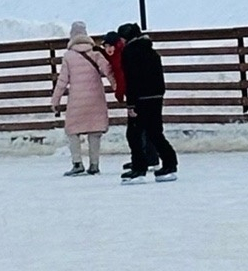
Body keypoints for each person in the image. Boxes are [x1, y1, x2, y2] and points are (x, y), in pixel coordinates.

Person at [117, 22, 179, 181]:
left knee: (134, 134)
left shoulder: (129, 53)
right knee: (155, 132)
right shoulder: (151, 51)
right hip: (156, 97)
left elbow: (132, 79)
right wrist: (159, 94)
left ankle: (139, 168)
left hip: (140, 99)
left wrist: (131, 104)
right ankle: (170, 162)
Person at [51, 22, 114, 175]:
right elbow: (109, 72)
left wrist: (55, 100)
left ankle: (77, 163)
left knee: (72, 131)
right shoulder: (96, 53)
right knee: (95, 131)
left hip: (77, 101)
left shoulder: (68, 56)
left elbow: (62, 81)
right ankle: (94, 165)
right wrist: (119, 89)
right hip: (95, 99)